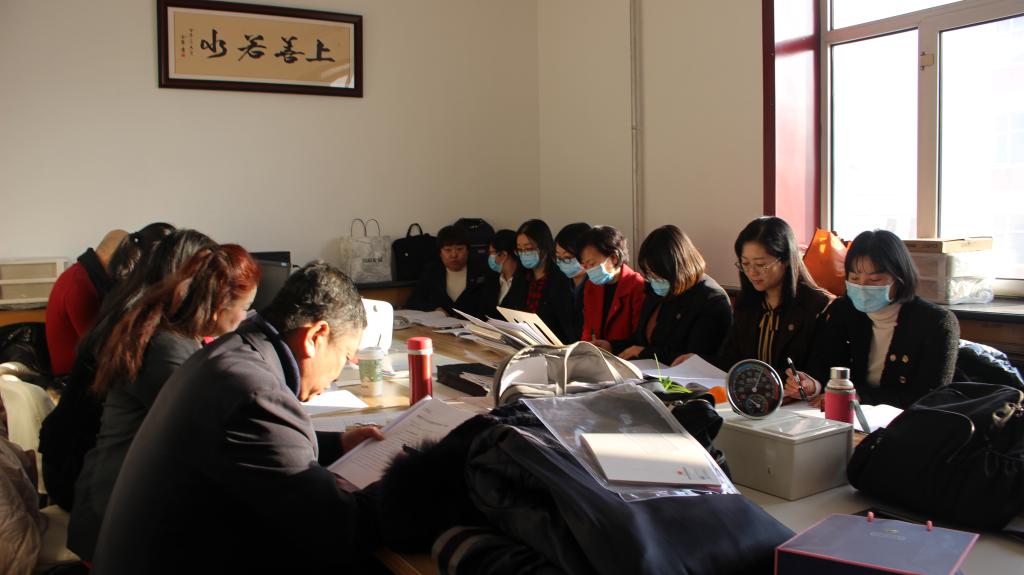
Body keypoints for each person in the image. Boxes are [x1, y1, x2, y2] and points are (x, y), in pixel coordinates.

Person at [92, 262, 384, 574]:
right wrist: (401, 478)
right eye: (345, 356)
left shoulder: (231, 353)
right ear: (316, 336)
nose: (339, 373)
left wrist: (338, 445)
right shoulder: (255, 393)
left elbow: (252, 450)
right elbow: (339, 529)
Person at [68, 244, 260, 560]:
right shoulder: (168, 352)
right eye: (246, 307)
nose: (246, 317)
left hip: (121, 498)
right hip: (115, 520)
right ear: (218, 305)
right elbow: (216, 432)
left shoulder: (175, 336)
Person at [39, 229, 215, 511]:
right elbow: (196, 425)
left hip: (77, 463)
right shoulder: (152, 341)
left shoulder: (125, 307)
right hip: (80, 477)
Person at [794, 230, 959, 408]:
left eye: (874, 280)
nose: (862, 287)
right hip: (842, 415)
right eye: (854, 278)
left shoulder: (935, 322)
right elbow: (825, 365)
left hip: (905, 418)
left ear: (899, 278)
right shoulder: (843, 310)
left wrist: (861, 397)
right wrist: (813, 385)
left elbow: (930, 398)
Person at [45, 223, 174, 375]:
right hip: (74, 376)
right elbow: (100, 349)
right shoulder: (79, 285)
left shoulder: (88, 277)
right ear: (116, 255)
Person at [714, 217, 833, 379]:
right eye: (745, 264)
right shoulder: (746, 303)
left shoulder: (817, 306)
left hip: (793, 395)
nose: (752, 272)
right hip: (746, 392)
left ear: (786, 260)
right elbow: (729, 360)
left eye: (760, 264)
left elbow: (820, 373)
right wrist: (699, 360)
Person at [613, 225, 732, 362]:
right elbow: (640, 341)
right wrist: (612, 346)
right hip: (647, 370)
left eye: (658, 274)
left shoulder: (712, 301)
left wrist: (645, 353)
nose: (653, 280)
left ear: (679, 268)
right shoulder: (655, 289)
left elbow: (695, 359)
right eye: (649, 274)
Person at [503, 219, 579, 343]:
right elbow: (507, 308)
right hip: (522, 340)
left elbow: (566, 324)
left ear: (545, 247)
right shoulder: (522, 276)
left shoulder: (561, 277)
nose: (524, 254)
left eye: (529, 249)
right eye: (520, 250)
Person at [576, 226, 645, 343]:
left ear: (614, 258)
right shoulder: (591, 286)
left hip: (624, 353)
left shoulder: (637, 285)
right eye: (585, 266)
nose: (589, 271)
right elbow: (588, 329)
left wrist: (612, 346)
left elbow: (639, 337)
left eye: (592, 264)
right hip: (598, 352)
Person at [404, 224, 489, 317]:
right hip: (441, 323)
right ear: (440, 253)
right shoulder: (432, 271)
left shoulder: (480, 272)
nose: (454, 255)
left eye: (459, 249)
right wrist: (434, 309)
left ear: (468, 251)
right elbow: (413, 302)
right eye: (448, 250)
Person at [481, 229, 520, 316]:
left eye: (491, 253)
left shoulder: (526, 281)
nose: (489, 257)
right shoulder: (491, 280)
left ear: (503, 255)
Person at [554, 222, 592, 306]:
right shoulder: (558, 281)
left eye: (567, 257)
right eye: (558, 257)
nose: (563, 263)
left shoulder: (597, 285)